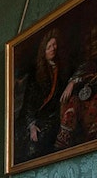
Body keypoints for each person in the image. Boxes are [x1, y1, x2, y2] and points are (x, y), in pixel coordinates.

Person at [16, 28, 75, 162]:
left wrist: (72, 83)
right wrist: (31, 125)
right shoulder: (37, 74)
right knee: (33, 145)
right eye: (49, 47)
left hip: (54, 113)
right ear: (44, 51)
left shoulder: (64, 66)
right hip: (36, 116)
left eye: (54, 45)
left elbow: (78, 70)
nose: (53, 49)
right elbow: (29, 102)